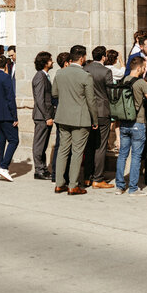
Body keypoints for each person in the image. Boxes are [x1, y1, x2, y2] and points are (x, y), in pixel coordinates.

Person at [52, 45, 97, 195]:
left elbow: (55, 93)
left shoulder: (60, 73)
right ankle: (72, 185)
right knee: (77, 151)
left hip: (63, 116)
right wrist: (95, 120)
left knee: (63, 150)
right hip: (80, 118)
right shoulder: (86, 76)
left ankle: (59, 184)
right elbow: (91, 100)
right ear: (83, 58)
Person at [115, 56, 147, 196]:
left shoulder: (122, 80)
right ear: (139, 68)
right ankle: (133, 188)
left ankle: (119, 186)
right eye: (143, 67)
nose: (144, 70)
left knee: (122, 155)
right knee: (136, 156)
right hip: (138, 122)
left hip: (124, 122)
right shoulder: (141, 82)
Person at [83, 46, 115, 189]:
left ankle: (86, 177)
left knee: (89, 146)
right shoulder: (106, 71)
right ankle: (98, 177)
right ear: (103, 57)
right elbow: (110, 92)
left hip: (87, 111)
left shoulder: (85, 69)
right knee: (100, 146)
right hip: (102, 111)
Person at [31, 51, 56, 180]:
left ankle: (43, 169)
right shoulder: (40, 77)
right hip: (42, 116)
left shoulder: (44, 76)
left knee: (43, 144)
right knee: (39, 144)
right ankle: (39, 170)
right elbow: (40, 99)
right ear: (45, 63)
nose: (52, 62)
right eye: (50, 60)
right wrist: (47, 116)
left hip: (45, 115)